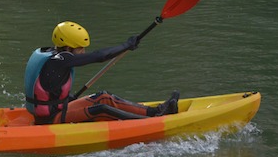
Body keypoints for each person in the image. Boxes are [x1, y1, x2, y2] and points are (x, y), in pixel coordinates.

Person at [24, 21, 179, 125]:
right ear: (67, 47)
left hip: (53, 111)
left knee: (104, 97)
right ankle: (151, 123)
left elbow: (50, 87)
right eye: (80, 48)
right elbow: (99, 56)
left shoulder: (49, 54)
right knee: (101, 109)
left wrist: (64, 99)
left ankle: (156, 111)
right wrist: (126, 45)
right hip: (51, 120)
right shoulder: (61, 60)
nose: (83, 51)